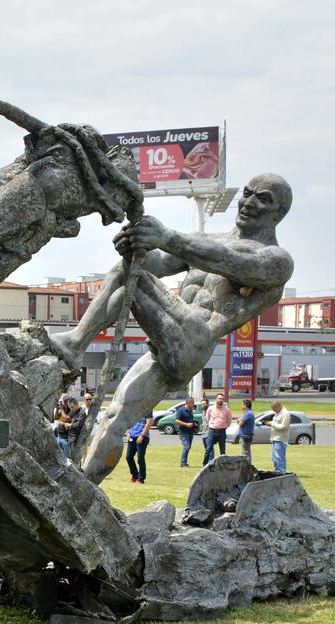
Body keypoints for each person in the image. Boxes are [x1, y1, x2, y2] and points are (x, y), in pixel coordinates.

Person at [51, 174, 294, 483]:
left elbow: (230, 261)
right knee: (115, 418)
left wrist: (166, 237)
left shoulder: (276, 260)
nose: (249, 202)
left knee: (128, 275)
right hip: (167, 341)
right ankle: (83, 487)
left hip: (196, 339)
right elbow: (157, 263)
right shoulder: (205, 241)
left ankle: (75, 343)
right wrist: (136, 245)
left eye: (263, 199)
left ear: (279, 212)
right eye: (247, 193)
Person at [202, 393, 232, 465]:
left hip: (222, 431)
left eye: (222, 399)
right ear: (216, 399)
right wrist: (213, 425)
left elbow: (229, 420)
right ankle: (205, 465)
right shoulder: (210, 409)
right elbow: (207, 419)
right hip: (212, 431)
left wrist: (223, 426)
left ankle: (223, 465)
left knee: (222, 450)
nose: (221, 400)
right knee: (208, 449)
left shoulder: (227, 409)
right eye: (219, 398)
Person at [125, 413, 152, 484]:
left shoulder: (147, 409)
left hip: (142, 437)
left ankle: (141, 478)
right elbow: (129, 422)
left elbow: (149, 423)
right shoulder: (133, 410)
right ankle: (135, 475)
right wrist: (128, 433)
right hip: (132, 436)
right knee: (129, 457)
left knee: (140, 458)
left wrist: (142, 436)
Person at [175, 396, 198, 467]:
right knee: (187, 446)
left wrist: (194, 424)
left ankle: (185, 462)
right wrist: (186, 424)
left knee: (188, 447)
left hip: (190, 431)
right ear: (188, 403)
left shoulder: (191, 410)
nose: (193, 404)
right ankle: (183, 463)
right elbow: (176, 420)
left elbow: (190, 419)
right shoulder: (181, 410)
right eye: (192, 403)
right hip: (183, 432)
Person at [269, 401, 290, 474]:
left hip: (280, 439)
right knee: (275, 457)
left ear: (278, 406)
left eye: (274, 409)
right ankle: (277, 470)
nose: (273, 411)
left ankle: (281, 471)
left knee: (279, 457)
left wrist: (272, 423)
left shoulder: (285, 414)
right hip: (275, 438)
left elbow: (284, 427)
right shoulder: (278, 413)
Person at [238, 398, 256, 464]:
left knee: (246, 453)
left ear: (245, 405)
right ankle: (246, 465)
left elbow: (240, 423)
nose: (241, 406)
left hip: (245, 436)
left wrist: (238, 420)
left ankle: (247, 466)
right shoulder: (248, 413)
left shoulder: (248, 413)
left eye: (242, 405)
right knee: (245, 452)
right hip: (245, 435)